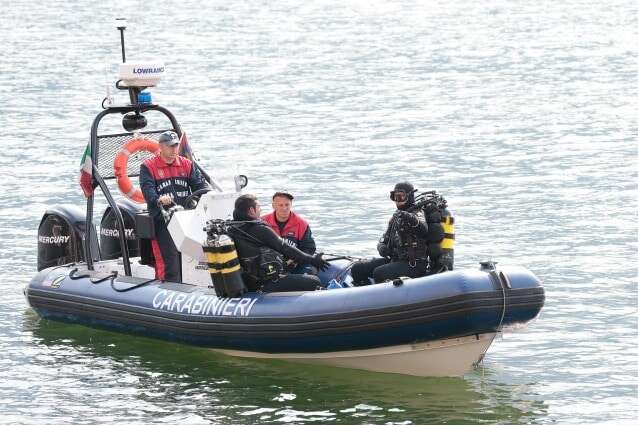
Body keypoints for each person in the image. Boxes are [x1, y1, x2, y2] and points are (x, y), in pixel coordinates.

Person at [139, 131, 208, 282]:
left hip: (187, 219)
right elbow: (148, 193)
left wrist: (209, 195)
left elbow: (200, 186)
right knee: (172, 263)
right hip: (164, 221)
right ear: (161, 147)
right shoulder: (148, 167)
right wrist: (159, 199)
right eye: (170, 146)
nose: (174, 149)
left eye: (176, 146)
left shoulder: (187, 164)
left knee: (195, 259)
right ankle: (171, 290)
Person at [229, 194, 330, 292]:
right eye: (258, 207)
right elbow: (285, 247)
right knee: (314, 281)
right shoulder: (259, 228)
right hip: (265, 281)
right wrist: (313, 260)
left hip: (247, 281)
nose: (260, 209)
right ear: (251, 210)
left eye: (287, 204)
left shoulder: (232, 229)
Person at [350, 182, 432, 285]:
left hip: (414, 264)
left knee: (379, 273)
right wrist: (382, 247)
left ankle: (384, 297)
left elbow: (423, 229)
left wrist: (409, 217)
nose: (397, 201)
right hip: (396, 260)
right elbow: (383, 239)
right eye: (395, 197)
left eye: (401, 197)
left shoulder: (417, 212)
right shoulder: (396, 217)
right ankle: (362, 293)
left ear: (410, 196)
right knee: (358, 268)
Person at [261, 191, 316, 272]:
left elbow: (309, 248)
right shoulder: (262, 222)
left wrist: (294, 260)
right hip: (269, 265)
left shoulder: (301, 224)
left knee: (311, 272)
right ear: (273, 206)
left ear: (291, 205)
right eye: (280, 205)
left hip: (294, 264)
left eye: (287, 205)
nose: (284, 208)